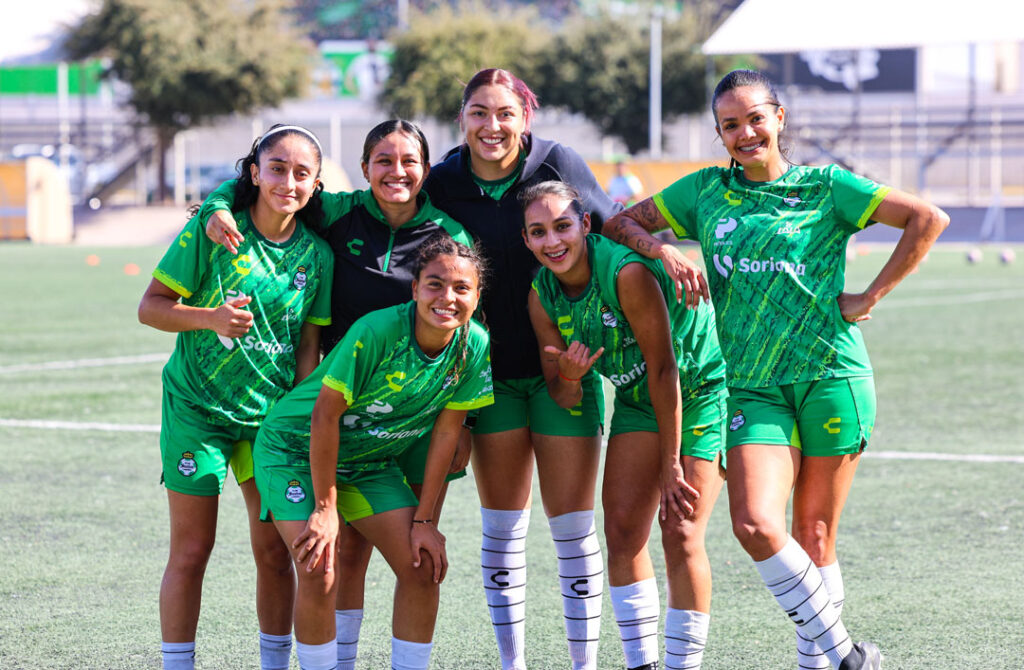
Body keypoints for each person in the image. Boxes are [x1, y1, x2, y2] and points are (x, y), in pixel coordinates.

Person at [603, 69, 949, 670]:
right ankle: (846, 656)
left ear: (779, 118)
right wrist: (668, 251)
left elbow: (928, 219)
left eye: (755, 118)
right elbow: (620, 223)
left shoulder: (827, 187)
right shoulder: (703, 192)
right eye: (730, 125)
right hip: (752, 388)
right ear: (719, 133)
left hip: (832, 378)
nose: (745, 133)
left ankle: (818, 664)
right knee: (755, 524)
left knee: (815, 536)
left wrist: (870, 297)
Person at [198, 119, 474, 669]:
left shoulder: (448, 235)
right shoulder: (337, 210)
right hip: (336, 408)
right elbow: (259, 181)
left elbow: (460, 319)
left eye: (409, 161)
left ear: (426, 170)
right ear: (365, 166)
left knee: (414, 552)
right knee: (335, 556)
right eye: (384, 160)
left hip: (406, 418)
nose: (397, 172)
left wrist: (461, 425)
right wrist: (215, 208)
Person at [424, 67, 622, 670]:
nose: (492, 125)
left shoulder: (559, 162)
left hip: (566, 371)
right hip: (487, 381)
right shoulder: (440, 182)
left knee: (572, 531)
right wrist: (222, 201)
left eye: (505, 112)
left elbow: (615, 227)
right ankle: (515, 664)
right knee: (503, 530)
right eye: (479, 112)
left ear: (525, 117)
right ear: (462, 119)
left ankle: (582, 664)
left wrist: (665, 250)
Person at [138, 125, 334, 670]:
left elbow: (307, 350)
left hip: (267, 422)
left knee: (276, 552)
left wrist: (295, 420)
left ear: (316, 186)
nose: (287, 182)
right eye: (276, 168)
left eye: (301, 174)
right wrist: (211, 319)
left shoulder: (317, 256)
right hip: (196, 412)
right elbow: (150, 307)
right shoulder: (215, 230)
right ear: (253, 172)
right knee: (192, 551)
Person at [251, 234, 493, 670]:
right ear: (415, 287)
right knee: (318, 565)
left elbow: (444, 435)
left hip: (367, 462)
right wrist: (325, 509)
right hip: (293, 449)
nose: (447, 297)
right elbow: (324, 417)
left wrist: (423, 520)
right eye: (435, 284)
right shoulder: (376, 331)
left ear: (477, 295)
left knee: (422, 567)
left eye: (462, 288)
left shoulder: (473, 344)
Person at [521, 180, 727, 670]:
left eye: (563, 226)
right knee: (622, 529)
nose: (553, 242)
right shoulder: (541, 295)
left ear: (585, 225)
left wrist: (670, 464)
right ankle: (642, 664)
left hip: (697, 391)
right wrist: (570, 378)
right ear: (526, 240)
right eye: (538, 232)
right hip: (638, 401)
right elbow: (562, 392)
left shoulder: (626, 273)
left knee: (680, 529)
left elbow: (664, 369)